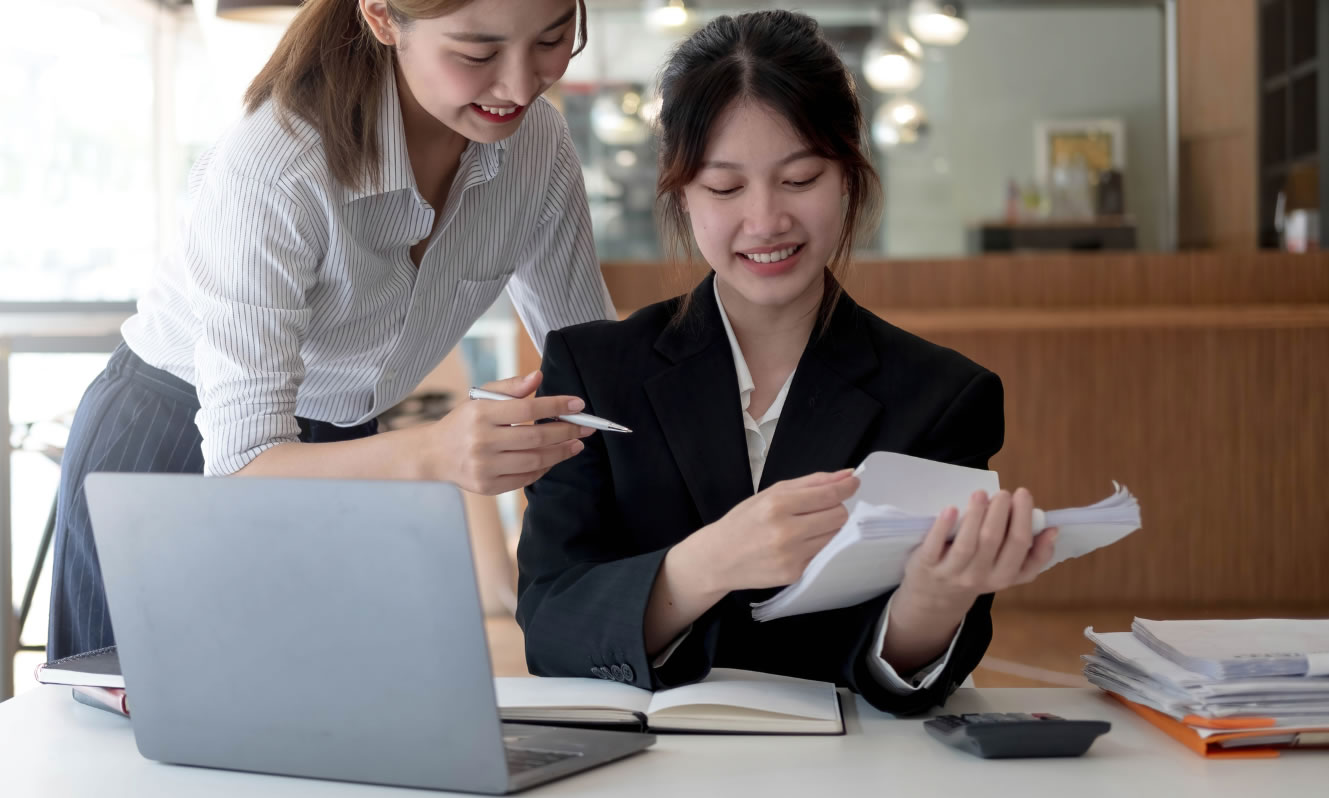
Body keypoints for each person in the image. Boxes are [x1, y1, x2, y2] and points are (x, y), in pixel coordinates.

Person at [515, 10, 1059, 715]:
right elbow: (551, 625)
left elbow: (901, 681)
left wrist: (936, 597)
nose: (765, 220)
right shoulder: (593, 370)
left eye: (799, 179)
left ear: (847, 178)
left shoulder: (941, 395)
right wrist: (709, 562)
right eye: (724, 188)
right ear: (680, 192)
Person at [48, 0, 613, 661]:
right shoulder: (276, 166)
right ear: (381, 16)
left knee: (321, 736)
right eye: (477, 53)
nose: (520, 86)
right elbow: (239, 469)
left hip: (345, 447)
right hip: (173, 449)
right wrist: (435, 454)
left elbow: (590, 361)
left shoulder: (536, 145)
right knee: (138, 746)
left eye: (552, 39)